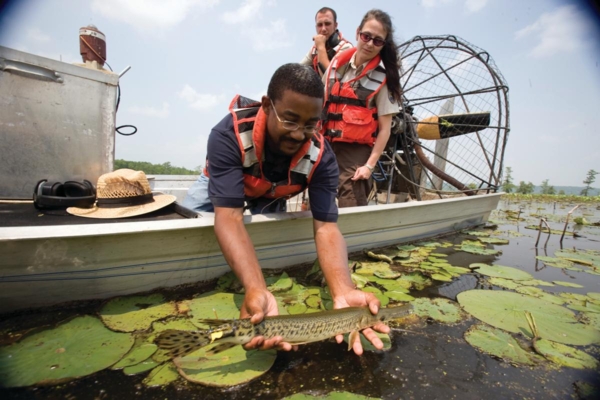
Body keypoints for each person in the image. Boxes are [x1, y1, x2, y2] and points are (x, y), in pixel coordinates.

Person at [182, 63, 388, 355]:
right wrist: (256, 288)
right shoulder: (228, 133)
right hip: (226, 185)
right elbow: (228, 215)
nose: (298, 134)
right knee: (191, 219)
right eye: (290, 121)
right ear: (267, 106)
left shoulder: (322, 157)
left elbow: (326, 227)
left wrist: (342, 289)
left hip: (272, 191)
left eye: (309, 124)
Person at [321, 9, 402, 208]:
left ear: (384, 44)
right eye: (366, 36)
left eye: (377, 40)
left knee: (351, 200)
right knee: (319, 196)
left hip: (355, 151)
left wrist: (369, 166)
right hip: (325, 143)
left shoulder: (383, 79)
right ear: (358, 32)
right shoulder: (335, 66)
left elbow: (385, 129)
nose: (369, 44)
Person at [300, 7, 353, 77]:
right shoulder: (314, 49)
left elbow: (330, 79)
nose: (323, 29)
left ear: (335, 25)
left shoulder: (346, 48)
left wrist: (321, 47)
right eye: (319, 25)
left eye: (327, 24)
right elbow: (297, 70)